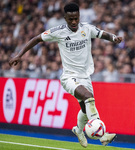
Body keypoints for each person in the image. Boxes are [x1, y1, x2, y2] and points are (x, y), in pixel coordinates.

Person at [9, 2, 122, 148]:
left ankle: (78, 130)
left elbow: (102, 34)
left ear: (79, 16)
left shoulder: (86, 28)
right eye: (70, 19)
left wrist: (113, 38)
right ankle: (103, 136)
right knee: (88, 97)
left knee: (85, 110)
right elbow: (36, 38)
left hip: (85, 76)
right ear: (65, 18)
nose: (74, 22)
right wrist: (19, 55)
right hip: (69, 77)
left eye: (76, 18)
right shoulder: (58, 32)